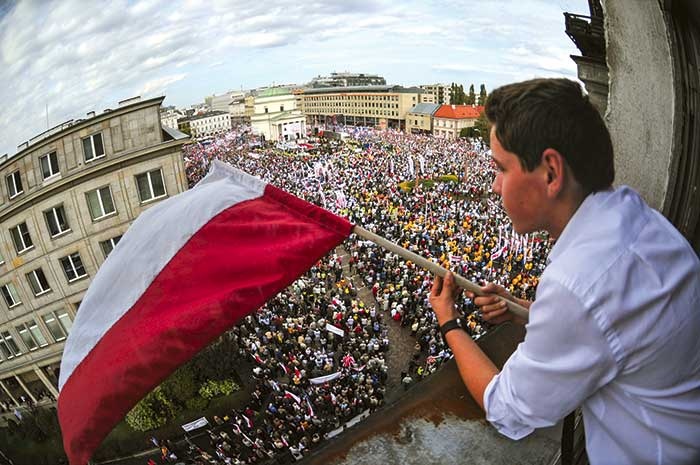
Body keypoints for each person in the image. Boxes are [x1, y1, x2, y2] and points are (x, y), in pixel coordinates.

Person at [429, 78, 700, 465]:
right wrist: (523, 308)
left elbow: (507, 410)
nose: (494, 186)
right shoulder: (633, 216)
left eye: (501, 168)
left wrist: (448, 323)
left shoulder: (579, 283)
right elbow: (613, 328)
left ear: (551, 172)